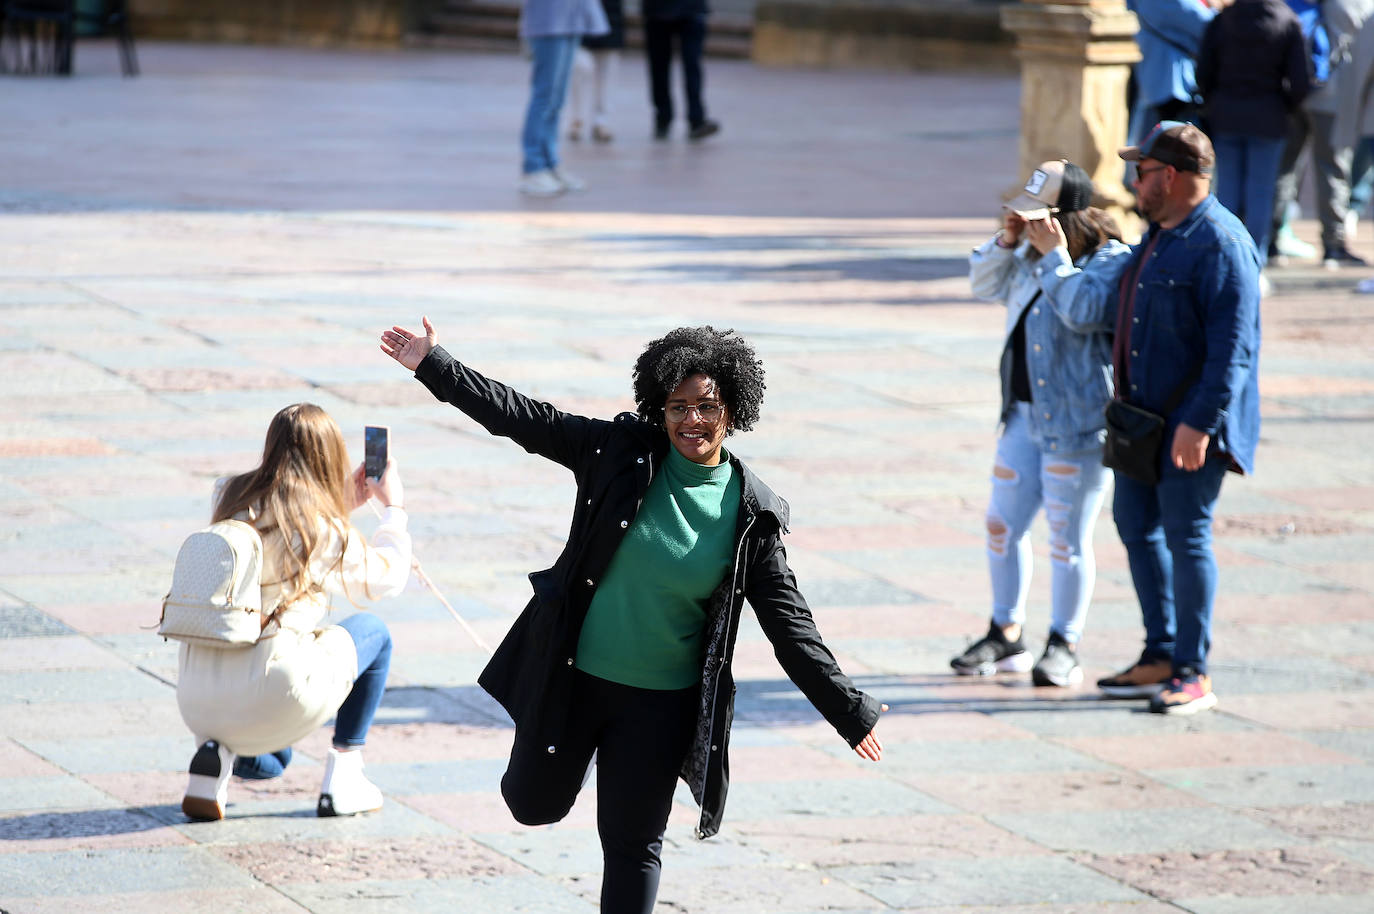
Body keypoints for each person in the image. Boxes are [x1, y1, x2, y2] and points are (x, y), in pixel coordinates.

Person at [379, 320, 883, 913]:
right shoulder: (617, 454)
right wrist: (435, 364)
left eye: (707, 406)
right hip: (575, 680)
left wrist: (848, 711)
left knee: (634, 844)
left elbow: (791, 626)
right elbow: (524, 418)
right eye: (678, 407)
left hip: (660, 706)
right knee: (530, 805)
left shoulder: (752, 513)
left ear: (733, 407)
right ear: (658, 408)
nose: (693, 420)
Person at [176, 403, 411, 820]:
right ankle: (346, 774)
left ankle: (217, 760)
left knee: (274, 760)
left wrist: (338, 503)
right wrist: (394, 509)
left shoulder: (226, 494)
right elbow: (387, 578)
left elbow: (277, 518)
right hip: (271, 689)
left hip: (198, 698)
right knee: (373, 632)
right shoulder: (323, 530)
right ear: (330, 457)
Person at [1098, 122, 1262, 715]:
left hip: (1191, 428)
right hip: (1141, 423)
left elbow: (1233, 350)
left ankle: (1193, 671)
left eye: (1140, 172)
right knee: (1135, 524)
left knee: (1186, 535)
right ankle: (1161, 652)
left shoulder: (1220, 243)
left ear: (1169, 176)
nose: (1133, 182)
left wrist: (1200, 422)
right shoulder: (1160, 234)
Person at [952, 160, 1132, 688]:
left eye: (1036, 219)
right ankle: (1006, 634)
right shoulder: (1029, 255)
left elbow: (1084, 311)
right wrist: (1007, 241)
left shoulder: (1109, 260)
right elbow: (983, 285)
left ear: (1067, 218)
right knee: (1001, 527)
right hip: (1024, 418)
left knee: (1066, 542)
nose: (1028, 226)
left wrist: (1056, 258)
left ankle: (1065, 643)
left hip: (1077, 426)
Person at [1195, 0, 1311, 267]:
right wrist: (1285, 106)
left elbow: (1204, 72)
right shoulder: (1287, 20)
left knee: (1228, 193)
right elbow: (1300, 81)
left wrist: (1214, 100)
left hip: (1227, 114)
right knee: (1260, 193)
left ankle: (1224, 258)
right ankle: (1252, 261)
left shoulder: (1224, 20)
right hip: (1268, 115)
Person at [517, 0, 609, 197]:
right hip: (548, 22)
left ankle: (550, 163)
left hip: (571, 20)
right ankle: (533, 167)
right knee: (544, 97)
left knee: (556, 100)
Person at [643, 0, 720, 141]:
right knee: (660, 67)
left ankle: (696, 120)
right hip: (659, 11)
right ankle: (663, 119)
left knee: (692, 66)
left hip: (691, 10)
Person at [568, 0, 624, 144]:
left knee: (607, 72)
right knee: (580, 67)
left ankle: (602, 120)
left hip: (611, 15)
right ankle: (577, 118)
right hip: (579, 13)